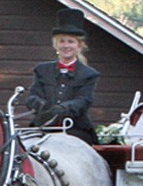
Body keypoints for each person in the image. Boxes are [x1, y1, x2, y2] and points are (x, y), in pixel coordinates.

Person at [26, 8, 99, 145]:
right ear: (56, 45)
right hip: (43, 126)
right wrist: (40, 104)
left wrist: (64, 108)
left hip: (75, 128)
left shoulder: (89, 74)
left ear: (79, 46)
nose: (66, 46)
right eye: (62, 41)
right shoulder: (42, 70)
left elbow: (84, 100)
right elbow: (33, 95)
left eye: (70, 42)